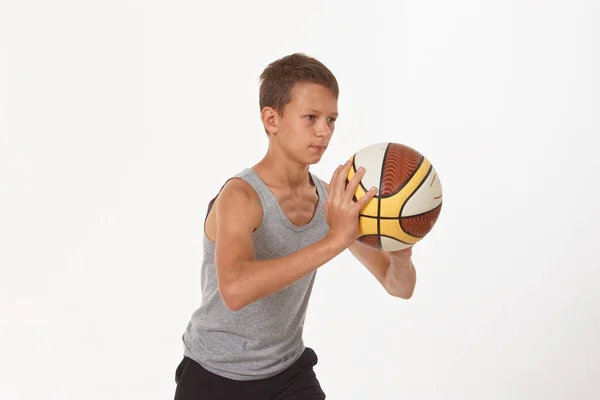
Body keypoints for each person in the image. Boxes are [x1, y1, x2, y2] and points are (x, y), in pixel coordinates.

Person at [174, 53, 417, 400]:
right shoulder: (240, 196)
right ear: (272, 119)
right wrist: (333, 241)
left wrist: (402, 256)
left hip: (288, 373)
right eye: (311, 118)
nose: (324, 131)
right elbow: (235, 289)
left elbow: (399, 288)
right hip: (214, 375)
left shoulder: (329, 199)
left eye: (331, 119)